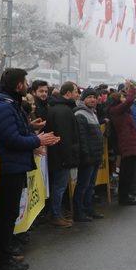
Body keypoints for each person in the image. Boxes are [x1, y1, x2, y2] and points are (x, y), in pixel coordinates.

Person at [0, 68, 60, 270]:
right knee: (5, 214)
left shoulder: (10, 104)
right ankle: (2, 259)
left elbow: (15, 132)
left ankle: (5, 253)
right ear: (18, 84)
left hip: (14, 165)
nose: (27, 85)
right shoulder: (3, 106)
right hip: (9, 168)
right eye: (25, 81)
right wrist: (37, 140)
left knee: (9, 214)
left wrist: (31, 131)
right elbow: (10, 139)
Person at [45, 81, 80, 228]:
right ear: (68, 93)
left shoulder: (60, 108)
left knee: (59, 187)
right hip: (61, 157)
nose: (78, 94)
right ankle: (56, 215)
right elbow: (64, 137)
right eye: (76, 91)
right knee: (59, 187)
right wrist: (67, 158)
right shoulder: (63, 111)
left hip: (58, 155)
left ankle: (57, 213)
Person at [73, 88, 104, 222]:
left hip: (95, 156)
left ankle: (89, 209)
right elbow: (82, 138)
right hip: (88, 157)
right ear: (83, 99)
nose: (93, 99)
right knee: (83, 185)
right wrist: (86, 156)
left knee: (91, 185)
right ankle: (79, 212)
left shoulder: (92, 113)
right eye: (89, 97)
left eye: (94, 97)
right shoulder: (80, 114)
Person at [107, 80, 136, 205]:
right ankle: (123, 197)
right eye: (121, 97)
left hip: (130, 144)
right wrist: (131, 88)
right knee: (126, 172)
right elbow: (130, 101)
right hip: (126, 145)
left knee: (129, 171)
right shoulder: (116, 110)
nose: (123, 98)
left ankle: (126, 195)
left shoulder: (121, 111)